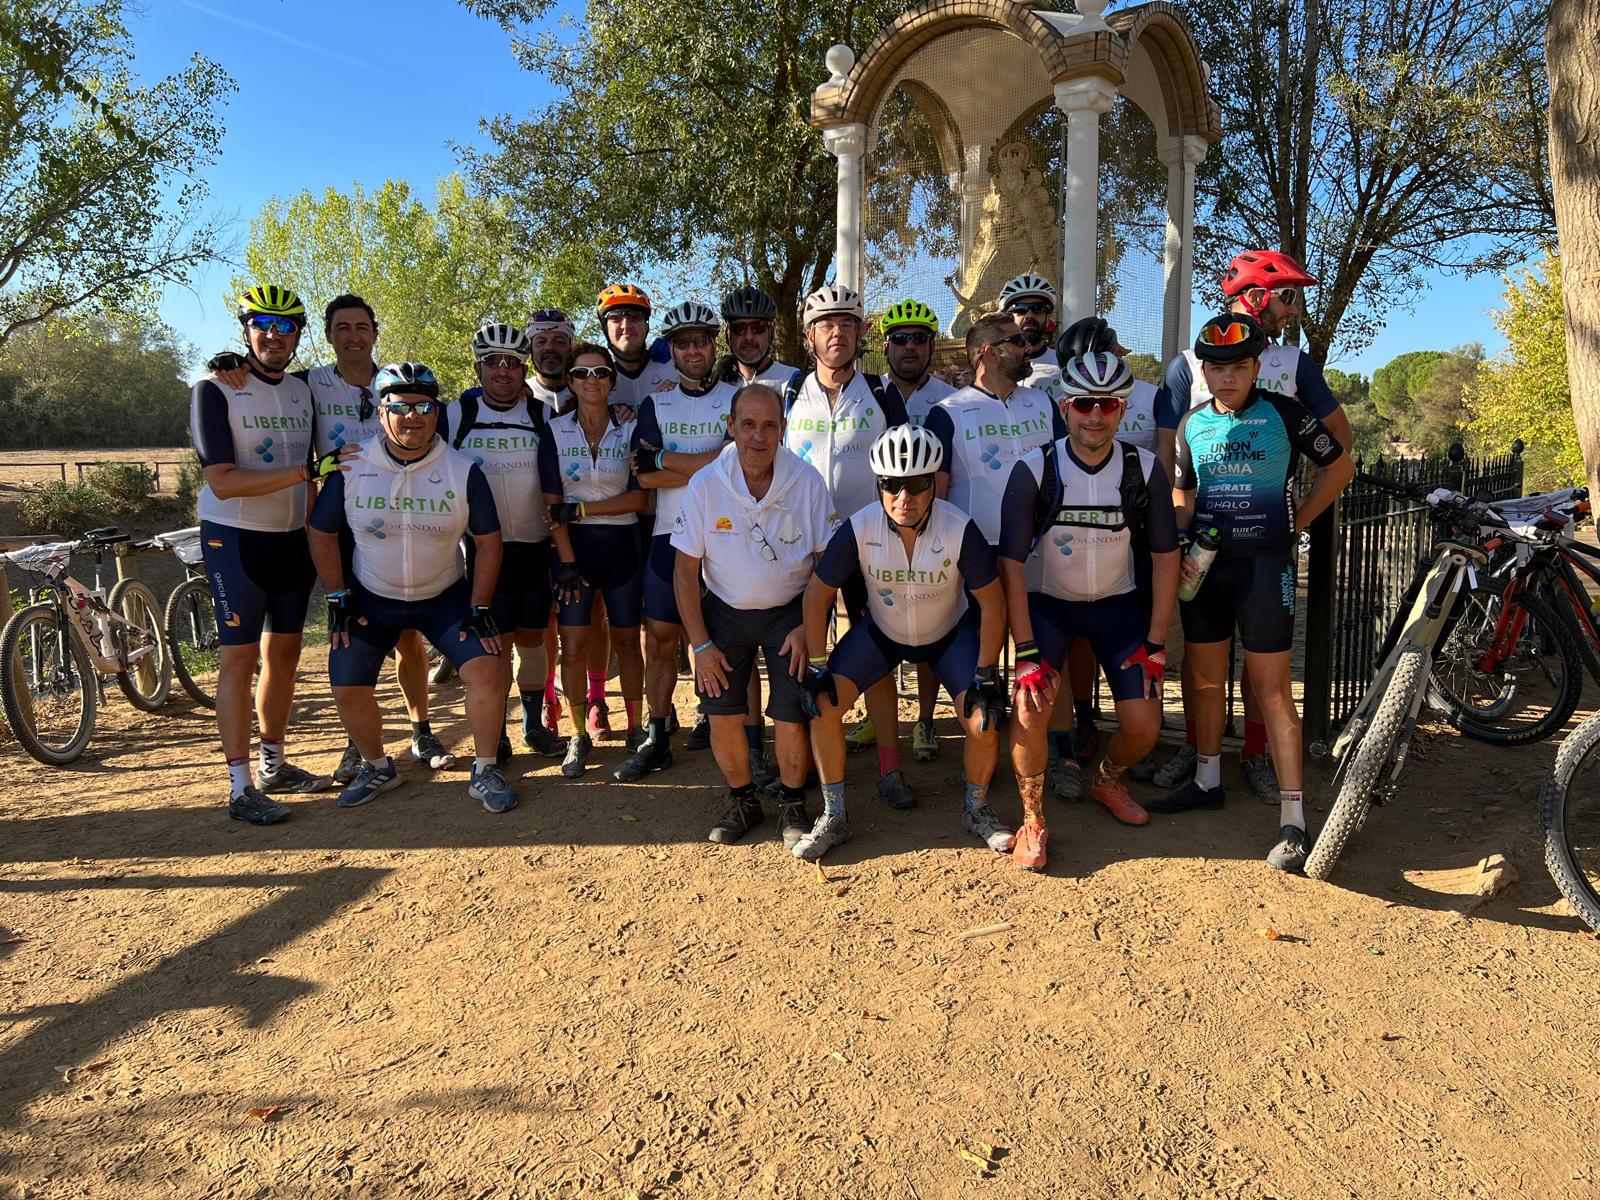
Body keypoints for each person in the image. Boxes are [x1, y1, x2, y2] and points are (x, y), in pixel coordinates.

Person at [210, 294, 449, 782]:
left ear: (375, 333)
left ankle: (420, 727)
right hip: (335, 525)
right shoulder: (307, 385)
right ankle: (355, 743)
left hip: (397, 520)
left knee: (407, 635)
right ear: (328, 335)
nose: (354, 336)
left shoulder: (395, 384)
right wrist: (230, 361)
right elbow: (262, 381)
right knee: (352, 633)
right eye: (343, 328)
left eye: (363, 327)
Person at [1150, 313, 1354, 872]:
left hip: (1266, 569)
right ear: (1205, 373)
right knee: (1205, 677)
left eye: (1238, 366)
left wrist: (1299, 523)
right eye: (1216, 368)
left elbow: (1342, 467)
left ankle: (1294, 820)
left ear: (1256, 367)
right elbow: (1184, 497)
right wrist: (1173, 535)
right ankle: (1207, 779)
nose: (1226, 377)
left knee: (1271, 691)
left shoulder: (1285, 414)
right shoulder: (1192, 423)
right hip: (1209, 570)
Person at [307, 362, 519, 814]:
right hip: (371, 596)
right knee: (345, 683)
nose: (412, 416)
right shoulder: (351, 464)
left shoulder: (463, 470)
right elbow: (321, 532)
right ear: (381, 413)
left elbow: (488, 541)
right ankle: (377, 766)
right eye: (399, 407)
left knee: (488, 669)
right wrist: (337, 594)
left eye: (423, 406)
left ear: (437, 413)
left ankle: (484, 769)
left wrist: (479, 605)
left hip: (443, 597)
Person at [997, 352, 1181, 871]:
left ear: (1122, 409)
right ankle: (1033, 820)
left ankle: (1105, 781)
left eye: (1107, 405)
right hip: (1049, 606)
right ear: (1064, 407)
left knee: (1144, 727)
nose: (1094, 416)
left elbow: (1167, 558)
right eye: (1083, 404)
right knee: (1030, 709)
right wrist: (1026, 646)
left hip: (1118, 608)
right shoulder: (1034, 469)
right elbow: (1010, 565)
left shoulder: (1144, 469)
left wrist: (1157, 638)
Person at [794, 425, 1010, 861]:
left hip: (948, 636)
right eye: (891, 485)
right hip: (883, 635)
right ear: (878, 484)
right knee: (823, 706)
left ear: (934, 483)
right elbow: (817, 596)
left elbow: (993, 603)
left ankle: (977, 809)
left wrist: (986, 672)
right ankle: (834, 815)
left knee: (983, 719)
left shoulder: (958, 527)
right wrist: (817, 667)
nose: (903, 498)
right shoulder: (859, 527)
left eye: (915, 485)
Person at [189, 284, 333, 826]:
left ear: (298, 334)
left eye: (286, 326)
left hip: (291, 540)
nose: (274, 335)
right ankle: (239, 785)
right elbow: (222, 482)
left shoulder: (302, 389)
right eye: (263, 325)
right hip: (237, 539)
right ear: (246, 329)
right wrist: (302, 474)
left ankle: (274, 762)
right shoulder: (215, 387)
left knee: (285, 657)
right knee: (239, 659)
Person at [671, 383, 835, 846]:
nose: (758, 436)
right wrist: (700, 645)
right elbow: (684, 571)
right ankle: (742, 801)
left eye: (769, 425)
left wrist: (809, 625)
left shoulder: (806, 482)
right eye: (748, 424)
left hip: (790, 613)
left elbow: (827, 566)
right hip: (722, 613)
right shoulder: (706, 484)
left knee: (790, 715)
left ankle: (791, 804)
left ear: (783, 429)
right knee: (723, 713)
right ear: (731, 427)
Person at [782, 284, 914, 809]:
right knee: (797, 654)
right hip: (804, 544)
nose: (837, 332)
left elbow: (906, 472)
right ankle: (801, 763)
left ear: (861, 334)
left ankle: (889, 767)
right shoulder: (790, 392)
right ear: (810, 335)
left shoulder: (882, 394)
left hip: (867, 542)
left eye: (847, 323)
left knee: (877, 656)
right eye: (826, 324)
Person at [616, 301, 741, 782]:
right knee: (661, 639)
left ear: (714, 345)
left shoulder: (736, 397)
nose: (693, 349)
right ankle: (657, 734)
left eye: (701, 340)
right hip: (670, 535)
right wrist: (716, 460)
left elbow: (747, 465)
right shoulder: (657, 402)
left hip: (727, 536)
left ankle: (722, 723)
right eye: (683, 342)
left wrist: (670, 460)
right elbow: (643, 476)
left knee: (723, 635)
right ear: (673, 348)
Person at [439, 321, 567, 762]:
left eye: (512, 363)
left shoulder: (542, 415)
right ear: (478, 368)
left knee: (533, 640)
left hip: (533, 547)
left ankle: (534, 727)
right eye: (493, 363)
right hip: (478, 553)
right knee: (492, 648)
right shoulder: (454, 415)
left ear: (522, 368)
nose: (503, 372)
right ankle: (495, 732)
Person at [1040, 315, 1161, 781]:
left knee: (1131, 644)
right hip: (1067, 560)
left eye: (1107, 403)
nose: (1095, 410)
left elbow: (1164, 459)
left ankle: (1131, 746)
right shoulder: (1057, 403)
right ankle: (1076, 729)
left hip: (1133, 539)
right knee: (1066, 649)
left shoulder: (1153, 396)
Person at [539, 342, 648, 777]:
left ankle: (637, 728)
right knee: (576, 645)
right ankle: (579, 735)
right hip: (573, 553)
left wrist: (583, 508)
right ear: (569, 381)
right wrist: (566, 562)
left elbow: (640, 498)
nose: (591, 381)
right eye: (582, 374)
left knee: (626, 641)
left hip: (623, 547)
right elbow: (552, 505)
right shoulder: (554, 431)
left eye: (600, 373)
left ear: (612, 381)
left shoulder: (630, 426)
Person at [879, 297, 956, 762]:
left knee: (931, 620)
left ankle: (926, 720)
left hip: (933, 523)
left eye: (920, 339)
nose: (910, 347)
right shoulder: (871, 391)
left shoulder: (949, 397)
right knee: (872, 622)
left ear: (931, 346)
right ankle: (878, 714)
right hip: (877, 526)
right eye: (901, 339)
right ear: (885, 345)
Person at [597, 283, 678, 411]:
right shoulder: (595, 380)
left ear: (646, 326)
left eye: (635, 316)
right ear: (605, 329)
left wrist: (682, 391)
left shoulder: (673, 367)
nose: (625, 325)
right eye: (615, 317)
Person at [719, 286, 799, 388]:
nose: (748, 336)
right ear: (728, 334)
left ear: (771, 332)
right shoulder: (716, 384)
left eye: (757, 328)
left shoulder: (793, 381)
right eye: (739, 328)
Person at [997, 273, 1060, 390]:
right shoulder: (996, 367)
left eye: (1037, 309)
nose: (1029, 316)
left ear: (1047, 318)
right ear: (1008, 319)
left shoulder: (1065, 364)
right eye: (1020, 309)